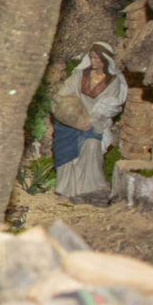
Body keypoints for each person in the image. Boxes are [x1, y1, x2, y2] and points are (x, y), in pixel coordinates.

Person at [52, 41, 128, 202]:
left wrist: (90, 121)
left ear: (105, 60)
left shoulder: (112, 81)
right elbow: (62, 95)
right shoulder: (80, 76)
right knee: (67, 149)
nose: (94, 61)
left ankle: (91, 189)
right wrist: (72, 112)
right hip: (73, 121)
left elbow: (110, 105)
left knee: (91, 146)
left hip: (95, 122)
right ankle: (67, 190)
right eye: (91, 57)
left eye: (97, 58)